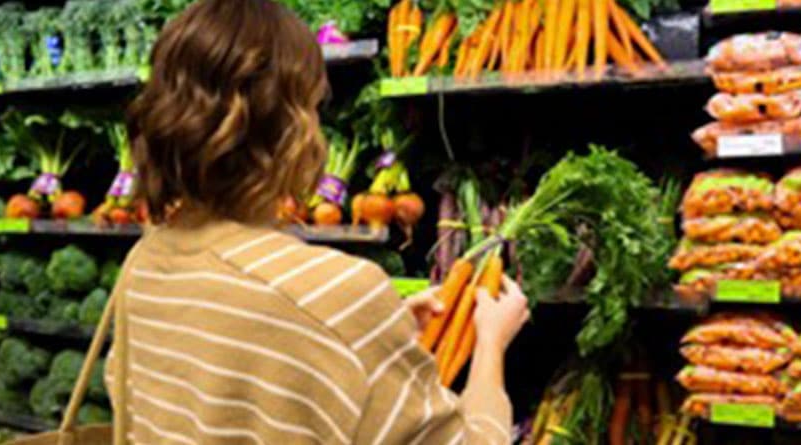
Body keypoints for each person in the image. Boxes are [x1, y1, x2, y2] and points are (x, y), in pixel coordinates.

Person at [104, 0, 530, 443]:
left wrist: (367, 332)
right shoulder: (336, 294)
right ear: (293, 125)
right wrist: (490, 348)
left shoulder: (144, 262)